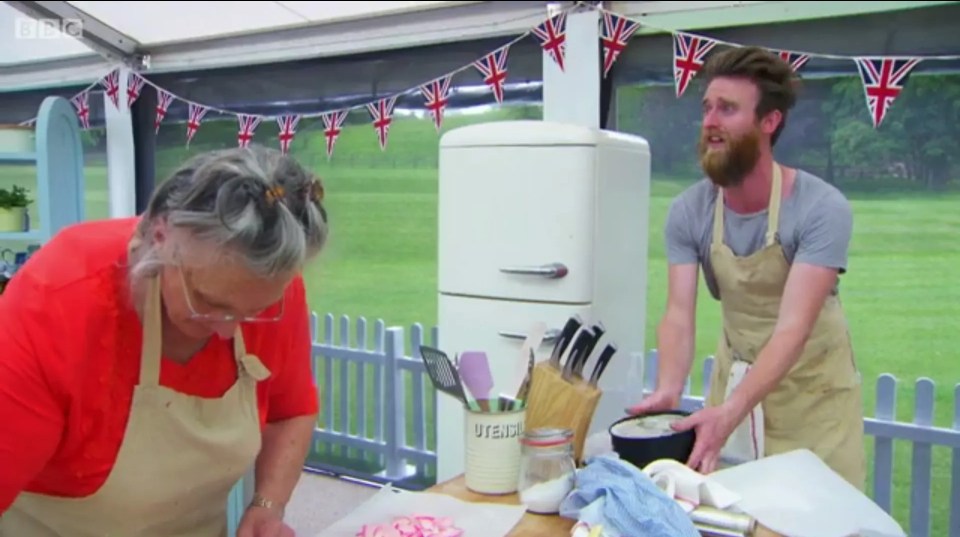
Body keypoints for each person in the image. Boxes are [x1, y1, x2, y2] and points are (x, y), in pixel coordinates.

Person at [0, 145, 329, 536]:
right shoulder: (58, 300)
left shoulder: (263, 281)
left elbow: (291, 410)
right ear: (160, 235)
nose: (228, 329)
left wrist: (267, 506)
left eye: (252, 311)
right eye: (209, 302)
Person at [628, 46, 866, 490]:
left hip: (814, 403)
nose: (710, 121)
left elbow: (792, 329)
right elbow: (679, 312)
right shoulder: (689, 212)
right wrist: (668, 388)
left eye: (728, 109)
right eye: (707, 108)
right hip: (733, 395)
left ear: (769, 121)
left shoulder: (820, 208)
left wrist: (731, 411)